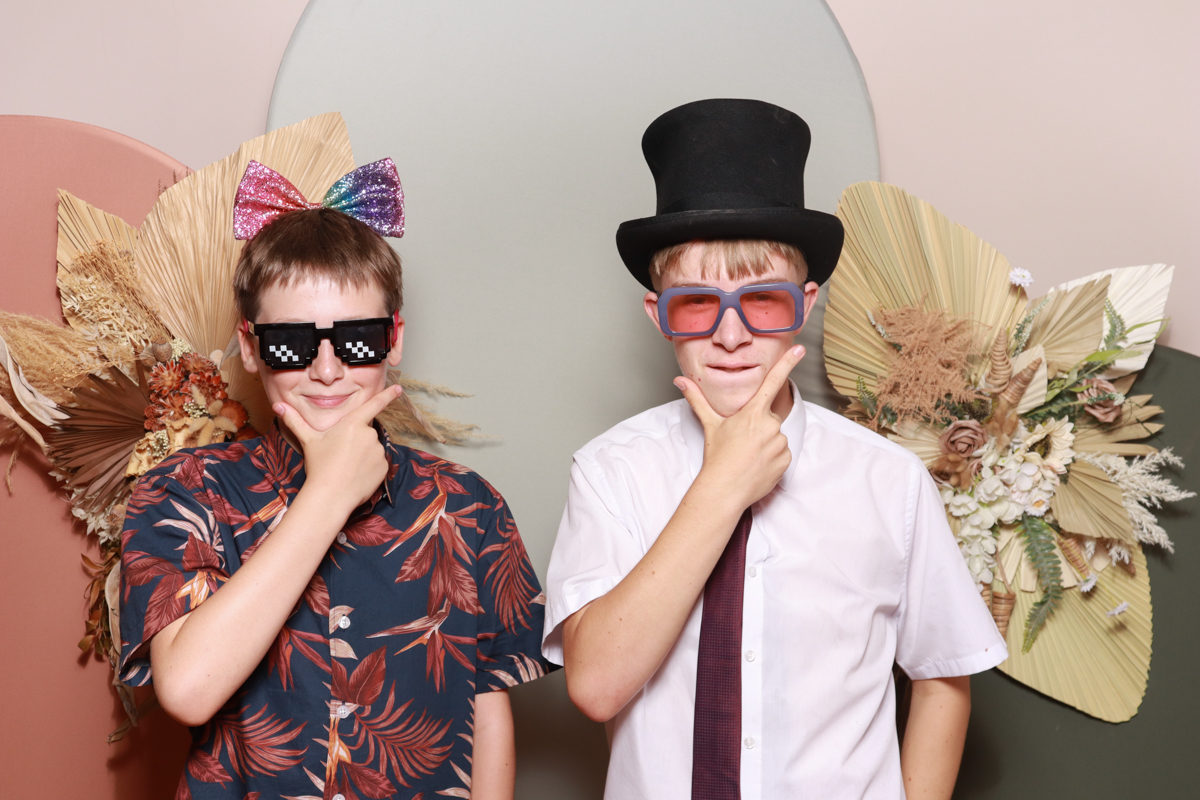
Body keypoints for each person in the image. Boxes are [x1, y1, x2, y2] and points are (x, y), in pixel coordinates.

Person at [542, 99, 1007, 799]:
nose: (730, 336)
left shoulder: (887, 480)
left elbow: (943, 676)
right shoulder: (613, 472)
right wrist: (722, 486)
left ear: (807, 304)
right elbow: (599, 685)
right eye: (697, 304)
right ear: (658, 315)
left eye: (762, 303)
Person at [120, 158, 552, 800]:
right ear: (249, 346)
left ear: (394, 339)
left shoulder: (469, 506)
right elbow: (187, 688)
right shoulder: (183, 492)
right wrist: (326, 495)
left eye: (355, 339)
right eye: (292, 342)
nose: (326, 370)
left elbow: (485, 713)